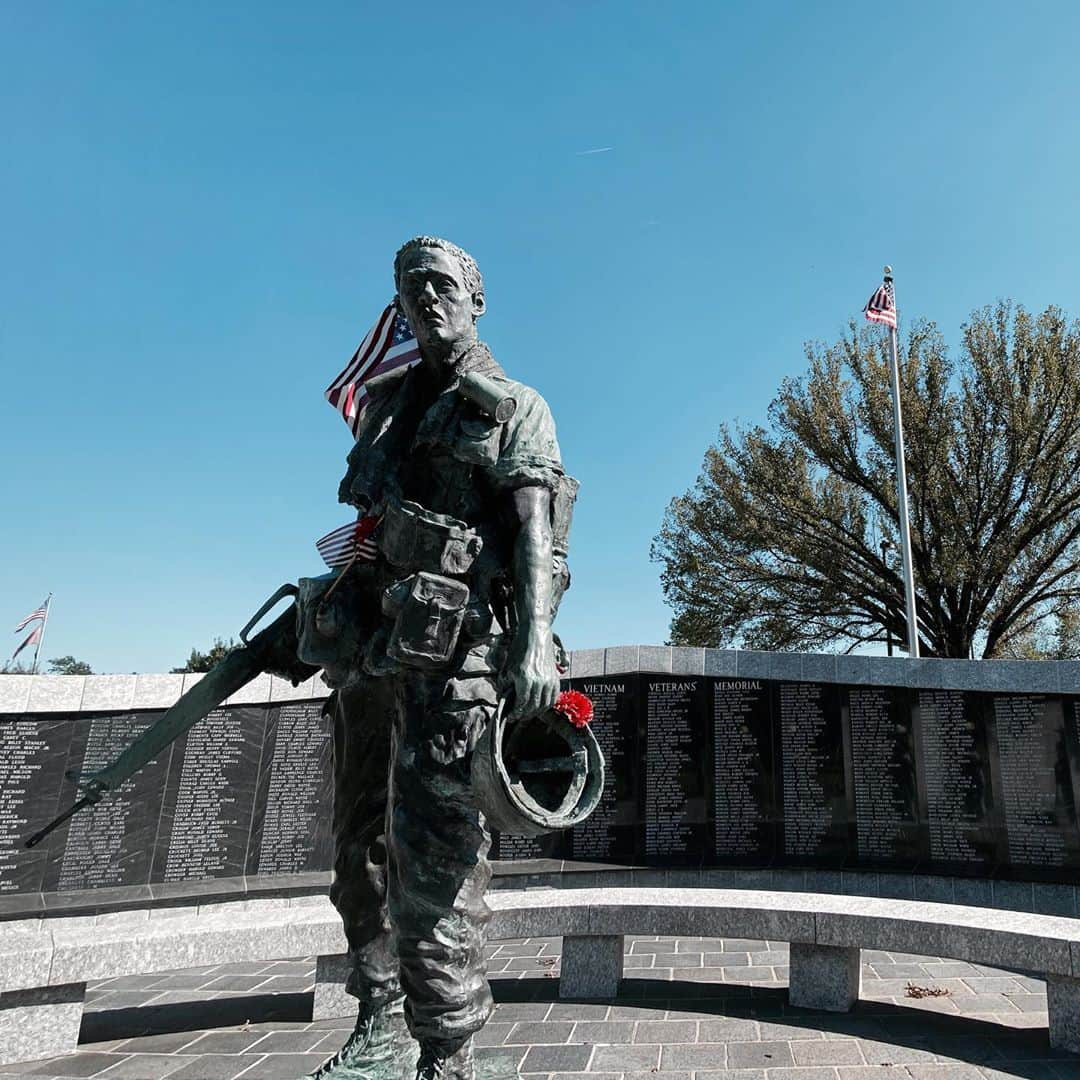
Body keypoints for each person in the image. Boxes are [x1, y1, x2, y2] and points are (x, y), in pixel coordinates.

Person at [308, 236, 573, 1080]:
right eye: (409, 285)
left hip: (457, 658)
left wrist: (533, 642)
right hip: (373, 655)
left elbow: (536, 534)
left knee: (436, 868)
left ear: (475, 297)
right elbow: (368, 536)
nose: (425, 297)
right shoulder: (387, 409)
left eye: (441, 283)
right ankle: (379, 1018)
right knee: (360, 853)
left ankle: (448, 1052)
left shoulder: (513, 405)